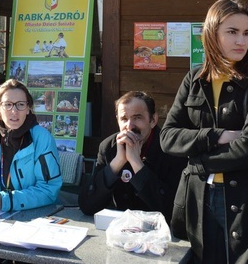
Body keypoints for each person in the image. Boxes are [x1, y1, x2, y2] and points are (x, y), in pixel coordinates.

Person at [160, 0, 248, 263]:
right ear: (212, 35)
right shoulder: (194, 79)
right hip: (197, 199)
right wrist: (216, 136)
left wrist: (199, 163)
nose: (242, 41)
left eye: (247, 33)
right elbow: (168, 137)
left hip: (245, 202)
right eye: (232, 32)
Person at [79, 90, 186, 222]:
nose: (129, 126)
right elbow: (87, 205)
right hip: (120, 230)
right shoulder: (108, 147)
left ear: (153, 120)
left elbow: (173, 211)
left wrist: (136, 164)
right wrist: (118, 162)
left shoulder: (171, 149)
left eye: (137, 118)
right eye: (124, 119)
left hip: (160, 233)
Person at [0, 79, 62, 212]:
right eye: (8, 104)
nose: (14, 111)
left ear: (28, 109)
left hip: (33, 217)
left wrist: (7, 200)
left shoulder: (41, 138)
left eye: (20, 104)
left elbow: (49, 189)